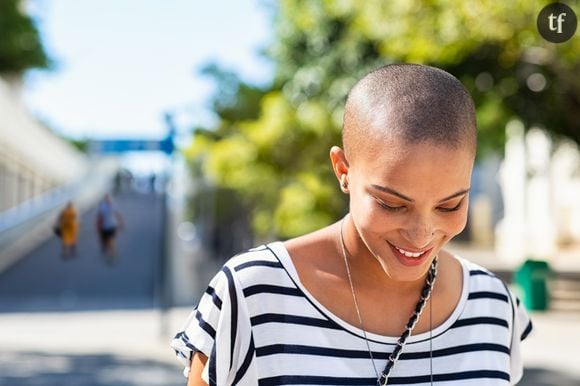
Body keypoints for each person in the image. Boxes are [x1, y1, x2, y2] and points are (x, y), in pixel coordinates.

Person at [171, 64, 532, 385]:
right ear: (343, 171)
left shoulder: (494, 305)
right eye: (392, 204)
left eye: (450, 204)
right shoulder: (254, 293)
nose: (422, 233)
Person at [96, 193, 124, 263]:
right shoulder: (102, 207)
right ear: (105, 199)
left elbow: (118, 214)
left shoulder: (113, 206)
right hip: (104, 227)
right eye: (107, 198)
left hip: (112, 226)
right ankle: (110, 252)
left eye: (109, 198)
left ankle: (112, 254)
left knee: (111, 240)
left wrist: (121, 223)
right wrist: (98, 226)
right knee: (106, 242)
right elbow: (99, 217)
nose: (108, 200)